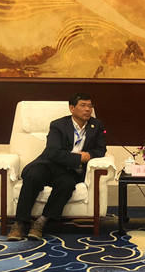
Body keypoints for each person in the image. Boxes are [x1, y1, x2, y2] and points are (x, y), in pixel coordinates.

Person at [7, 92, 107, 241]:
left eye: (90, 106)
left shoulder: (96, 125)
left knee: (67, 184)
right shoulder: (58, 125)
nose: (88, 109)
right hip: (49, 164)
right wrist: (80, 158)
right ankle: (19, 223)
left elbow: (100, 150)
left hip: (70, 170)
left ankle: (41, 222)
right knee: (33, 176)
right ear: (72, 108)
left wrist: (89, 155)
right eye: (83, 105)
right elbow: (53, 151)